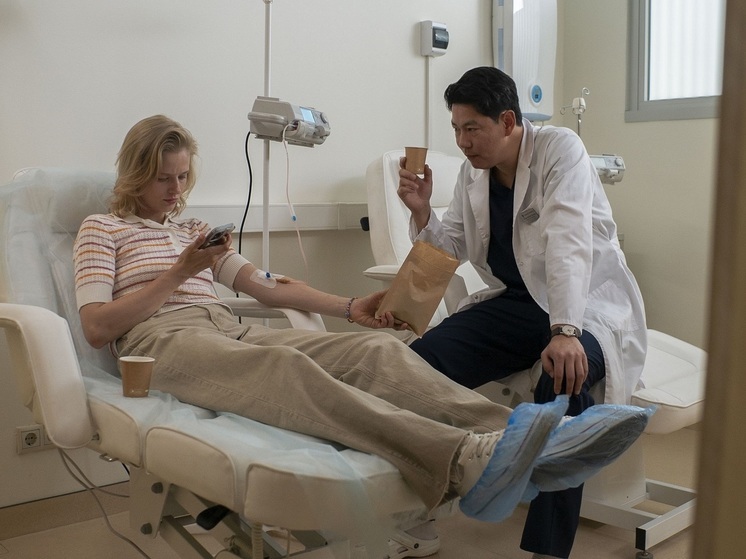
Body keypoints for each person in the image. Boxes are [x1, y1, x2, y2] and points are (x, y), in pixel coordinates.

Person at [73, 115, 650, 555]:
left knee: (377, 351)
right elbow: (98, 327)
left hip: (228, 327)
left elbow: (267, 287)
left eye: (182, 177)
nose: (175, 190)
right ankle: (462, 457)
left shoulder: (194, 230)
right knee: (286, 370)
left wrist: (353, 308)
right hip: (160, 344)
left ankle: (525, 438)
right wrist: (181, 274)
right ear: (135, 174)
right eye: (163, 179)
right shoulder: (101, 229)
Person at [397, 67, 648, 559]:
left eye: (472, 128)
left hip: (584, 305)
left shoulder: (560, 149)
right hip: (515, 303)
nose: (462, 141)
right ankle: (416, 513)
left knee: (562, 379)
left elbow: (568, 241)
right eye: (456, 128)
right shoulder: (474, 172)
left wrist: (566, 331)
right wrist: (421, 211)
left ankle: (548, 550)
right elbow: (453, 247)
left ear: (508, 121)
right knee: (416, 365)